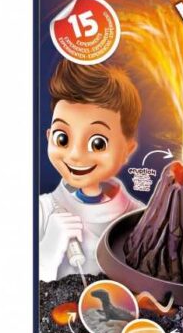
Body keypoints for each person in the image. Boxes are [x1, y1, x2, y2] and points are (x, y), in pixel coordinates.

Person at [39, 59, 143, 281]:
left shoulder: (140, 218)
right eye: (62, 138)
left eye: (97, 143)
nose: (75, 155)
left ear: (127, 149)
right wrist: (47, 253)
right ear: (49, 136)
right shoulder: (42, 211)